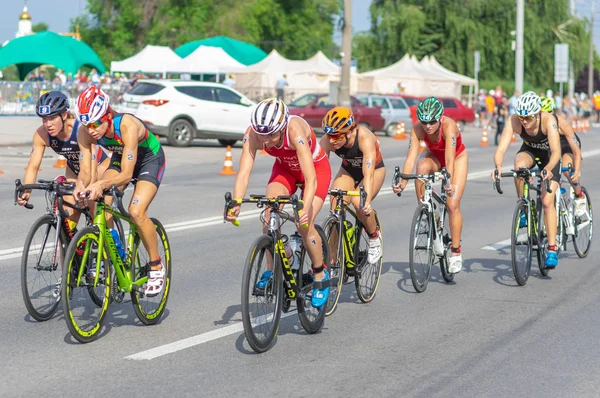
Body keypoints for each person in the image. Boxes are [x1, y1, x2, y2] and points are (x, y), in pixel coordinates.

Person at [225, 98, 332, 308]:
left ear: (282, 126)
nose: (266, 141)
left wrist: (304, 207)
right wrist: (236, 202)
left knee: (304, 225)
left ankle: (320, 273)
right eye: (262, 135)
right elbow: (244, 172)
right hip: (286, 171)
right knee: (269, 217)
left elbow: (311, 180)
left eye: (272, 135)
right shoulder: (253, 134)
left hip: (315, 170)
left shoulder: (295, 130)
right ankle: (272, 268)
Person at [73, 85, 167, 296]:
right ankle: (115, 251)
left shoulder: (126, 125)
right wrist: (81, 185)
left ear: (108, 114)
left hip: (149, 160)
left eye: (96, 123)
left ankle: (156, 266)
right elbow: (86, 171)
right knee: (97, 203)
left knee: (136, 211)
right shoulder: (84, 132)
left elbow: (126, 174)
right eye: (86, 124)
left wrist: (100, 184)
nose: (91, 130)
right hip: (120, 157)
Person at [392, 97, 468, 273]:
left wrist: (448, 180)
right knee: (421, 167)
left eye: (432, 121)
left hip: (456, 159)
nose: (428, 126)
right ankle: (427, 210)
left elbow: (450, 157)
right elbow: (411, 156)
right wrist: (403, 182)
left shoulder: (449, 126)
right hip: (434, 156)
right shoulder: (417, 129)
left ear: (440, 118)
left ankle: (456, 251)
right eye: (424, 122)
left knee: (452, 204)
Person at [17, 91, 111, 230]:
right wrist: (27, 190)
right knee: (67, 217)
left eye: (52, 118)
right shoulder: (41, 134)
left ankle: (109, 242)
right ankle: (69, 249)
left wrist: (86, 190)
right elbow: (33, 167)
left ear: (64, 115)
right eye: (44, 119)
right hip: (74, 169)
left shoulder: (81, 129)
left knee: (92, 205)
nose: (48, 124)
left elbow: (90, 168)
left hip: (98, 166)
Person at [492, 91, 562, 268]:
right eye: (522, 117)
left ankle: (552, 249)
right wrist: (498, 166)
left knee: (547, 202)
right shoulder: (514, 120)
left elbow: (556, 152)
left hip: (549, 157)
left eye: (528, 117)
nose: (524, 121)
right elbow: (501, 149)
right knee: (518, 164)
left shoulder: (549, 121)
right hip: (530, 151)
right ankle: (523, 204)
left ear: (538, 114)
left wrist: (547, 169)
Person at [319, 107, 385, 267]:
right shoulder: (327, 141)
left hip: (373, 171)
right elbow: (319, 170)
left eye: (336, 136)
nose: (332, 140)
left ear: (349, 132)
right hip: (348, 170)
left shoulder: (365, 137)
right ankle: (332, 256)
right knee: (335, 203)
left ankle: (374, 236)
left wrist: (367, 201)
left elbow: (368, 174)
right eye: (329, 135)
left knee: (359, 203)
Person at [540, 96, 586, 216]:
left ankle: (579, 195)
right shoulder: (537, 124)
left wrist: (576, 170)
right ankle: (562, 197)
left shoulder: (560, 123)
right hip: (552, 147)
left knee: (566, 168)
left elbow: (576, 150)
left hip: (567, 145)